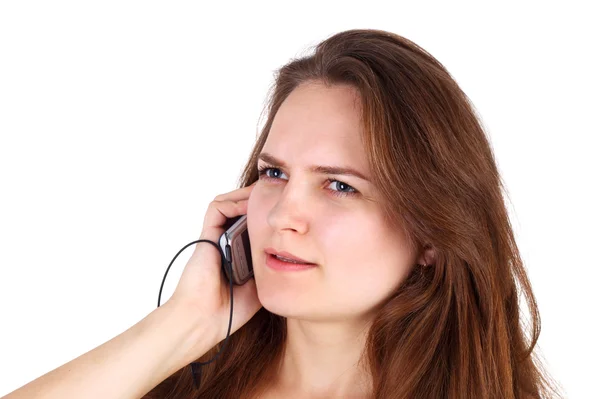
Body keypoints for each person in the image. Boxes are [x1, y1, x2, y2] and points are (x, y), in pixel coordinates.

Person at [1, 28, 564, 399]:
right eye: (274, 174)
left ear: (431, 236)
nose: (284, 214)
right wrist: (182, 324)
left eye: (340, 185)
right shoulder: (181, 380)